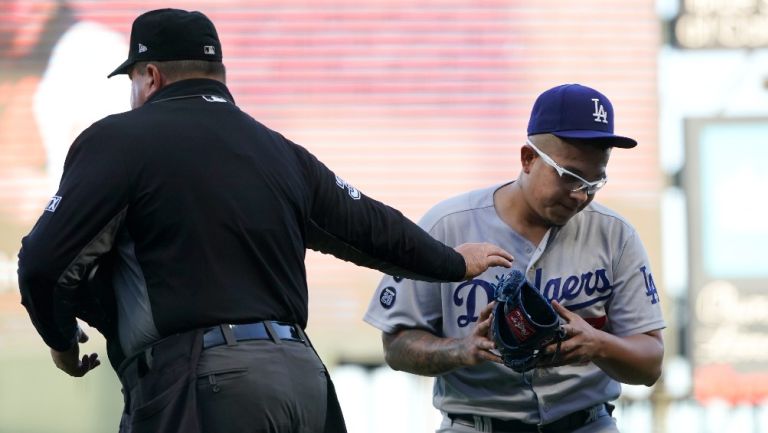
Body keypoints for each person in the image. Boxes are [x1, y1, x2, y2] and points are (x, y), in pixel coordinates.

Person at [16, 8, 513, 433]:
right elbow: (371, 226)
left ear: (150, 76)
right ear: (219, 76)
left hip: (204, 384)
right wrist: (452, 262)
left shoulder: (119, 140)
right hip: (302, 381)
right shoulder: (279, 152)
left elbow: (41, 262)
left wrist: (60, 340)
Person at [364, 83, 665, 433]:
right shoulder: (448, 225)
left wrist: (599, 345)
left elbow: (651, 363)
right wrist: (461, 349)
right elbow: (396, 345)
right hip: (476, 424)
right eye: (569, 176)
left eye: (594, 182)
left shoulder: (615, 234)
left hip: (587, 423)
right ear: (528, 158)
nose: (580, 195)